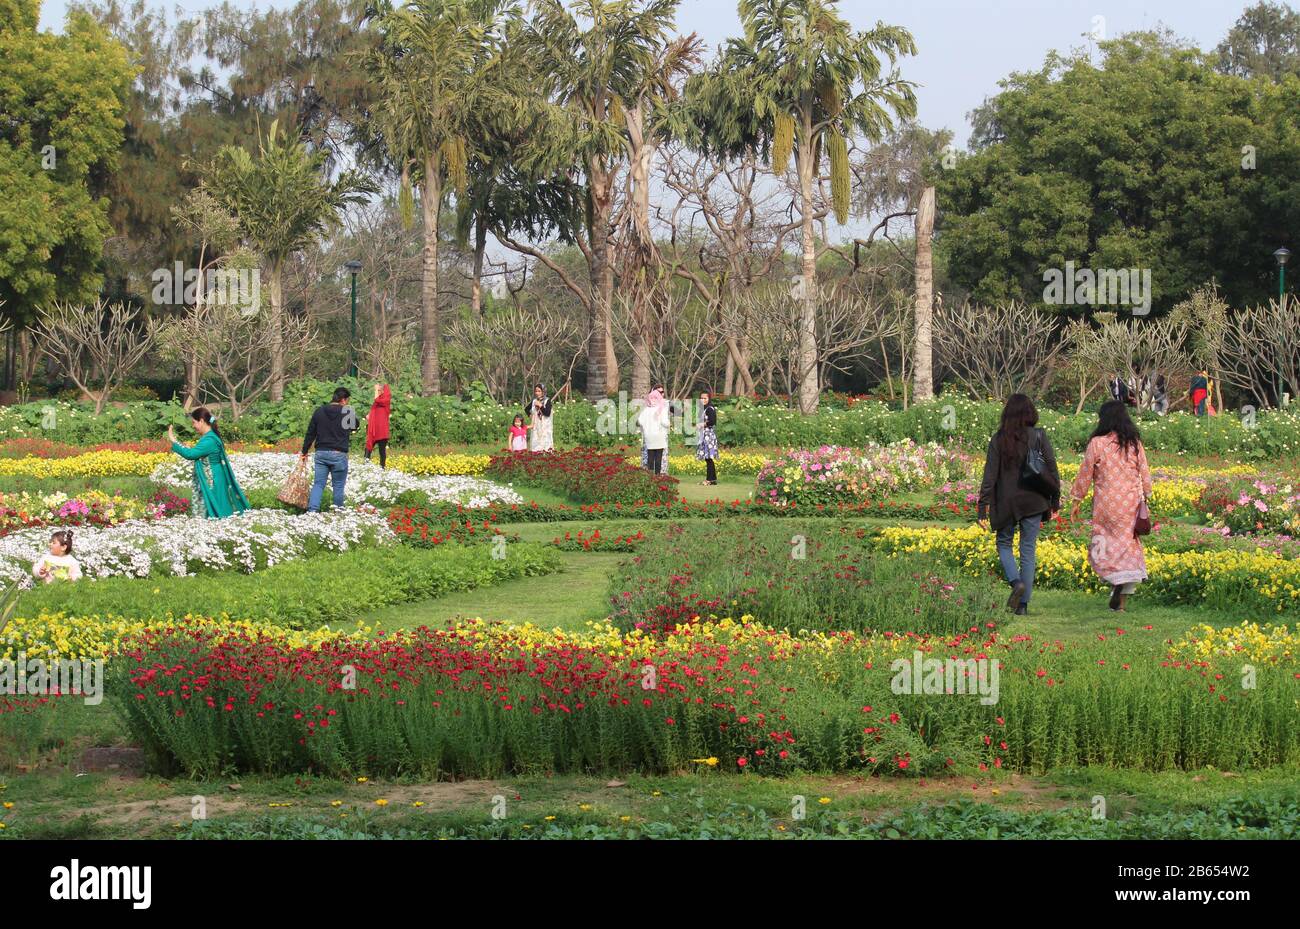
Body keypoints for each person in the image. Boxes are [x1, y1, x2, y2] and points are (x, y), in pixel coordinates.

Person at [977, 394, 1060, 616]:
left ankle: (1016, 583)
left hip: (1006, 501)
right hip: (1034, 500)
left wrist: (982, 507)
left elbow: (989, 476)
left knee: (1004, 544)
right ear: (1031, 412)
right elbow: (1051, 469)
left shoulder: (998, 439)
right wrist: (1055, 499)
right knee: (1028, 550)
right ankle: (1023, 605)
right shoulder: (1038, 436)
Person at [1069, 400, 1154, 613]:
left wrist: (1077, 499)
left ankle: (1112, 579)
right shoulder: (1134, 443)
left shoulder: (1097, 443)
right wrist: (1147, 499)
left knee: (1104, 543)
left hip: (1106, 505)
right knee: (1128, 547)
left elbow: (1085, 473)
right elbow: (1145, 474)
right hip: (1130, 504)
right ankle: (1121, 598)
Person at [168, 407, 250, 518]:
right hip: (215, 475)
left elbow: (191, 454)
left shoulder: (209, 440)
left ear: (201, 421)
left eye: (194, 422)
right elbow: (196, 452)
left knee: (217, 509)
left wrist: (174, 441)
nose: (193, 426)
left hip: (212, 478)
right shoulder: (209, 437)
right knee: (217, 507)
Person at [301, 387, 358, 512]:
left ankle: (312, 511)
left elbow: (310, 433)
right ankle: (338, 512)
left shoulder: (319, 411)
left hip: (321, 453)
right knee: (338, 486)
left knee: (318, 484)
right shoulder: (347, 412)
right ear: (343, 400)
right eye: (347, 400)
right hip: (339, 454)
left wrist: (304, 451)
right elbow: (355, 426)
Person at [637, 388, 670, 474]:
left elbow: (640, 421)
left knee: (650, 457)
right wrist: (668, 424)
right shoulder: (661, 409)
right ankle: (657, 476)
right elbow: (665, 422)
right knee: (658, 458)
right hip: (659, 436)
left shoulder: (646, 410)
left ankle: (650, 476)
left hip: (649, 436)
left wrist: (646, 427)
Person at [365, 383, 391, 468]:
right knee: (368, 446)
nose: (377, 392)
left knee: (382, 450)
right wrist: (369, 415)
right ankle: (366, 465)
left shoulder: (385, 399)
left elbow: (376, 400)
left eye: (379, 390)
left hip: (382, 430)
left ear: (383, 391)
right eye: (377, 390)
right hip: (374, 428)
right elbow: (373, 408)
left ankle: (382, 467)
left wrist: (376, 390)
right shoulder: (378, 401)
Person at [696, 390, 719, 486]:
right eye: (701, 398)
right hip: (704, 435)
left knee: (709, 458)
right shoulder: (704, 408)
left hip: (708, 436)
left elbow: (712, 421)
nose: (703, 400)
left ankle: (709, 480)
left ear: (709, 398)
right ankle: (712, 479)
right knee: (708, 458)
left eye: (705, 398)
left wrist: (702, 424)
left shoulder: (710, 408)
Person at [525, 385, 554, 451]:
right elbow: (526, 409)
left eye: (539, 391)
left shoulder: (547, 401)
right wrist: (531, 416)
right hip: (536, 426)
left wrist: (540, 406)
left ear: (543, 392)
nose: (537, 393)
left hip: (545, 426)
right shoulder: (534, 401)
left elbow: (547, 413)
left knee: (545, 443)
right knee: (535, 442)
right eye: (536, 391)